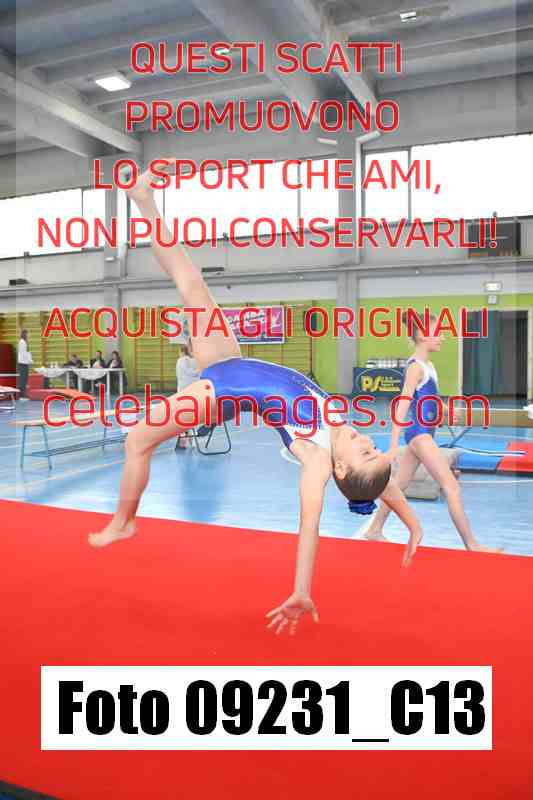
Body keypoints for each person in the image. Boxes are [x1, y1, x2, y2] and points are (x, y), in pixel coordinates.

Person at [88, 163, 422, 635]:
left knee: (137, 440)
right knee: (191, 283)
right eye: (373, 446)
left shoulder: (316, 461)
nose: (367, 439)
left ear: (339, 469)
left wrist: (302, 590)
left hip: (222, 392)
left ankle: (123, 522)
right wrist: (413, 524)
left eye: (364, 450)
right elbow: (381, 482)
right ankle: (143, 199)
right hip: (231, 363)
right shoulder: (348, 450)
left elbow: (309, 527)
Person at [364, 312, 501, 553]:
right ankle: (472, 544)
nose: (442, 337)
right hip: (419, 434)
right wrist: (393, 446)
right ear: (421, 335)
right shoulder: (415, 368)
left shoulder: (428, 366)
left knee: (399, 484)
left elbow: (430, 400)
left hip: (423, 432)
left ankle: (374, 529)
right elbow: (403, 405)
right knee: (452, 487)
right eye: (438, 332)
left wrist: (446, 412)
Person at [175, 343, 200, 448]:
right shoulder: (193, 361)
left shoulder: (182, 361)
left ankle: (186, 439)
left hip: (185, 392)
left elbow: (190, 374)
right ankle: (190, 439)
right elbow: (193, 374)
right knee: (190, 416)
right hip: (192, 392)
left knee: (185, 417)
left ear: (182, 351)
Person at [17, 329, 33, 401]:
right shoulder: (22, 342)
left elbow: (27, 353)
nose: (28, 335)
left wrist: (30, 360)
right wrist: (29, 360)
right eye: (27, 334)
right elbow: (23, 353)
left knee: (25, 379)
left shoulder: (25, 342)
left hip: (25, 363)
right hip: (22, 363)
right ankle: (21, 396)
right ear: (24, 334)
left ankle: (23, 395)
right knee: (22, 380)